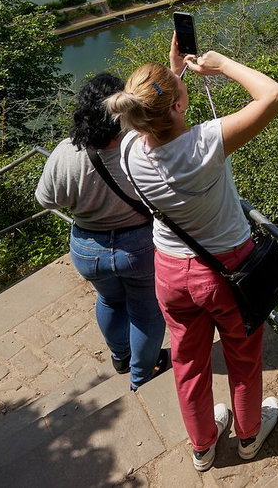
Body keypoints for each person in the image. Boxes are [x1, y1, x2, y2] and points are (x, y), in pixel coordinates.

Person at [108, 37, 278, 472]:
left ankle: (203, 445)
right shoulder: (206, 143)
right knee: (243, 355)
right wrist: (223, 63)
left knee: (188, 361)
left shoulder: (131, 147)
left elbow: (153, 112)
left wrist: (175, 72)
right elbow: (274, 94)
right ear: (178, 106)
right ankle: (248, 435)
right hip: (228, 268)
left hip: (170, 270)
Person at [35, 72, 169, 390]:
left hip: (87, 248)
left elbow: (45, 199)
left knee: (109, 301)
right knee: (147, 309)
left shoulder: (65, 153)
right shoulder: (140, 147)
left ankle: (121, 357)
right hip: (138, 246)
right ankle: (142, 373)